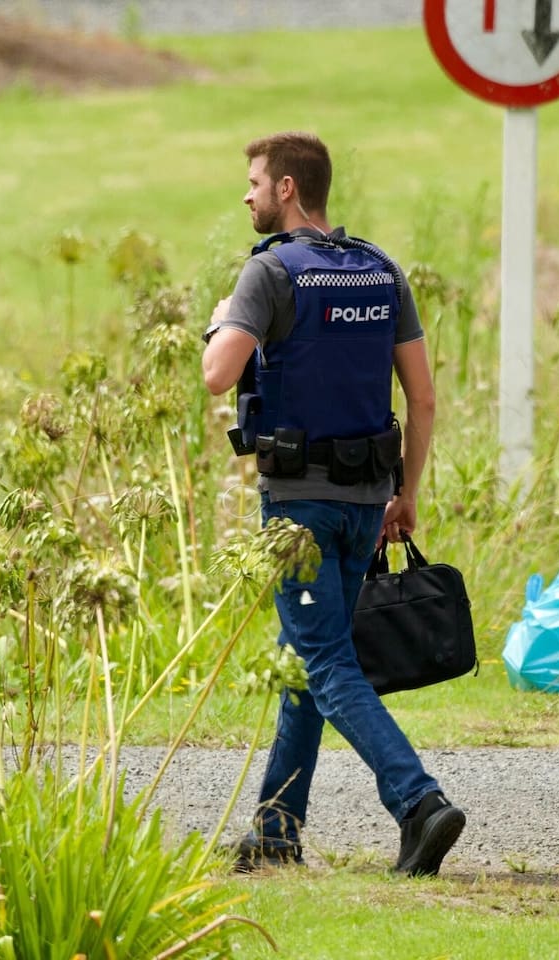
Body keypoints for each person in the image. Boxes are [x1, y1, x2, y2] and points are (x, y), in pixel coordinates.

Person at [200, 131, 465, 877]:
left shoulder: (269, 273)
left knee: (324, 661)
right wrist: (406, 493)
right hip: (366, 502)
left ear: (287, 188)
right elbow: (423, 398)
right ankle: (277, 833)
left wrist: (220, 319)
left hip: (299, 510)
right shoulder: (380, 270)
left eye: (254, 182)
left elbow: (219, 376)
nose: (247, 195)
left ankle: (418, 802)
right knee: (303, 661)